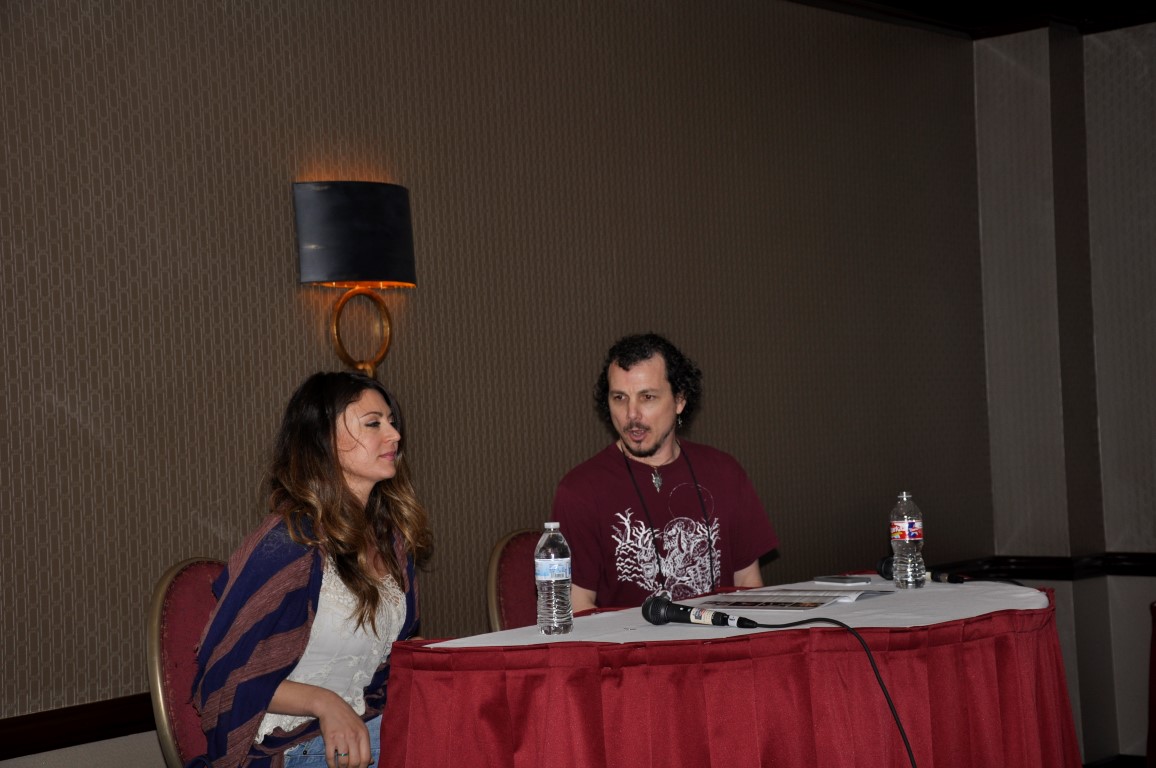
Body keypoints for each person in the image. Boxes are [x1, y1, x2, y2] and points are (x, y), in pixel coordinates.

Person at [190, 371, 433, 768]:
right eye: (373, 423)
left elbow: (390, 661)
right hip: (287, 746)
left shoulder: (392, 541)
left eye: (391, 422)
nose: (394, 435)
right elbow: (222, 677)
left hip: (368, 725)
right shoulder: (289, 542)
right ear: (322, 440)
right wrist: (324, 703)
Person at [552, 333, 778, 612]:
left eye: (647, 397)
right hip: (627, 642)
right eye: (620, 398)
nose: (631, 415)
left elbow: (748, 583)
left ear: (679, 400)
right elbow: (576, 608)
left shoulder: (725, 473)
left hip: (720, 637)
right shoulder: (579, 491)